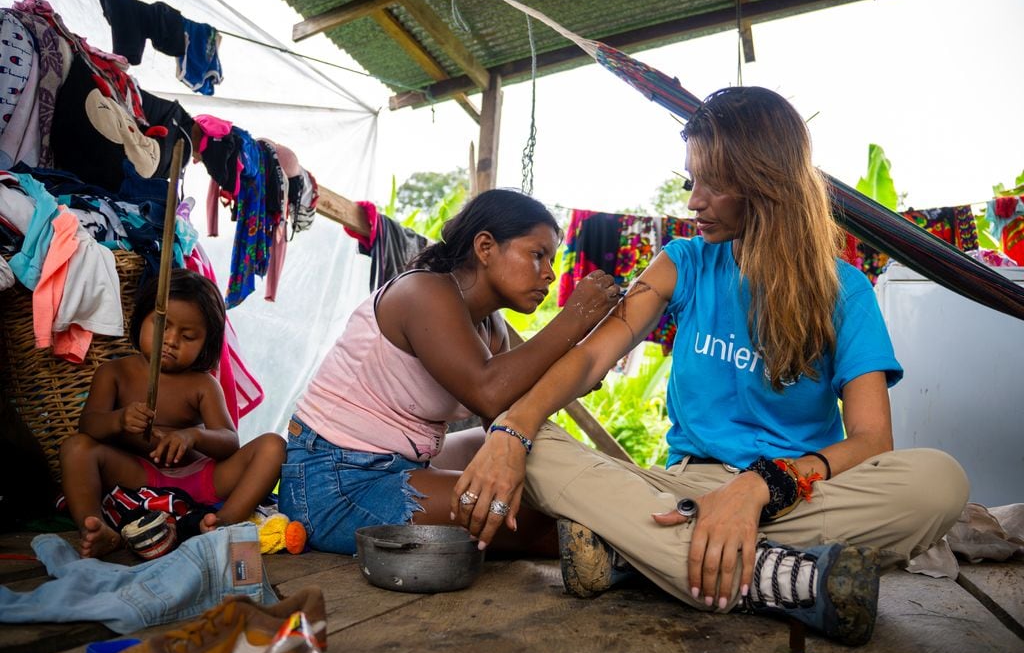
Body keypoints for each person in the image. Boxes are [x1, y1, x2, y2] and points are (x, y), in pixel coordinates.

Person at [453, 87, 969, 646]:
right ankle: (780, 577)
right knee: (529, 442)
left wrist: (758, 487)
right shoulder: (681, 262)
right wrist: (511, 429)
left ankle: (641, 555)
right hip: (681, 489)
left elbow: (871, 442)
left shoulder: (845, 291)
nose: (694, 201)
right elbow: (588, 360)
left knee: (941, 482)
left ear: (766, 183)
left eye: (714, 184)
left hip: (795, 493)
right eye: (689, 181)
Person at [279, 188, 620, 556]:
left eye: (550, 260)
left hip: (403, 465)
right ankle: (626, 543)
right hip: (335, 483)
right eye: (538, 255)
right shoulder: (423, 290)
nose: (550, 274)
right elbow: (487, 389)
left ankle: (617, 498)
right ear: (486, 247)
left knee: (520, 448)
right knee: (535, 522)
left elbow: (504, 415)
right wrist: (576, 317)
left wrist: (568, 379)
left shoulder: (492, 327)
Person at [60, 269, 285, 557]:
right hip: (138, 474)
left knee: (273, 445)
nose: (171, 340)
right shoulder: (113, 373)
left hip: (201, 478)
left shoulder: (203, 384)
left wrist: (194, 436)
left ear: (206, 344)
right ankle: (95, 528)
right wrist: (119, 420)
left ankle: (224, 523)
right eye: (162, 325)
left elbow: (230, 441)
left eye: (188, 336)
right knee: (75, 448)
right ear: (141, 317)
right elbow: (88, 425)